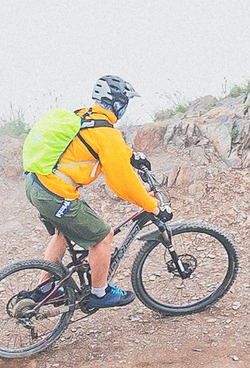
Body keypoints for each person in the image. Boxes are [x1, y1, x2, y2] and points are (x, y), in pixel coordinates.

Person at [26, 74, 165, 310]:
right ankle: (99, 293)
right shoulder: (108, 134)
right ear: (118, 104)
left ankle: (45, 287)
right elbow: (122, 182)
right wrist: (152, 206)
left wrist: (131, 156)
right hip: (55, 193)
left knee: (62, 233)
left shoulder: (84, 115)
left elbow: (98, 144)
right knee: (102, 236)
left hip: (35, 184)